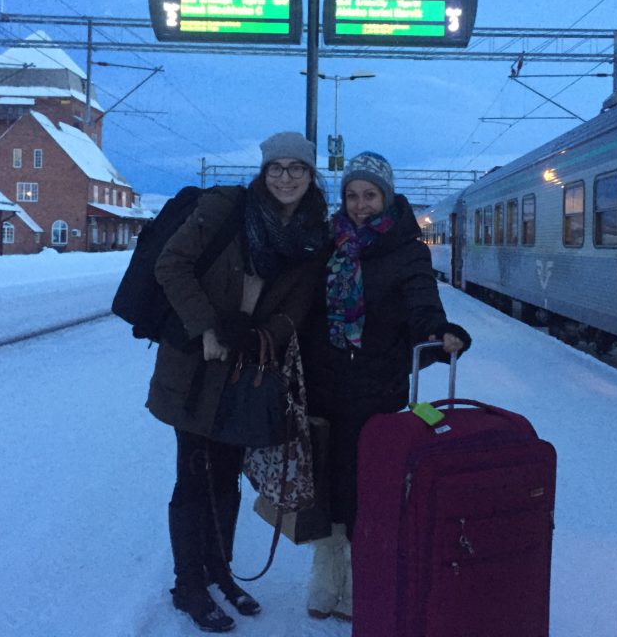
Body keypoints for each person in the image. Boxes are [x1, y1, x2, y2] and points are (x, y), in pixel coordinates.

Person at [146, 131, 328, 633]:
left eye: (297, 168)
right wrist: (207, 325)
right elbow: (171, 264)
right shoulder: (228, 207)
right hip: (193, 367)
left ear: (311, 175)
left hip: (245, 369)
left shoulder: (312, 233)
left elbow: (297, 307)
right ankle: (189, 586)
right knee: (192, 476)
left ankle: (218, 571)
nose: (285, 177)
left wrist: (259, 337)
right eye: (276, 168)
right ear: (263, 172)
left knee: (225, 475)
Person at [302, 151, 471, 622]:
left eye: (369, 195)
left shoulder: (405, 249)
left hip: (375, 388)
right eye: (352, 195)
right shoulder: (327, 241)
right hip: (322, 383)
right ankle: (325, 570)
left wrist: (440, 333)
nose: (360, 205)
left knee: (367, 488)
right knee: (325, 486)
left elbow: (421, 301)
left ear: (387, 196)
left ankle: (362, 578)